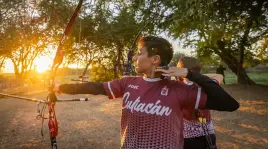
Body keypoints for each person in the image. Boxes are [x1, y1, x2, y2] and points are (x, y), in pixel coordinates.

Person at [53, 36, 239, 149]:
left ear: (155, 59)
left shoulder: (179, 90)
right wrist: (61, 87)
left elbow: (230, 105)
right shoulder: (127, 83)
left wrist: (191, 74)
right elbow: (96, 87)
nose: (135, 57)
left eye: (140, 53)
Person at [177, 57, 223, 149]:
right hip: (208, 134)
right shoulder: (207, 84)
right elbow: (219, 76)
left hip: (187, 136)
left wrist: (185, 75)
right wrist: (197, 75)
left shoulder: (177, 86)